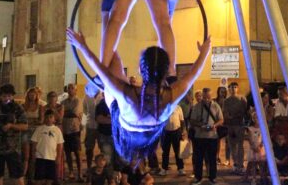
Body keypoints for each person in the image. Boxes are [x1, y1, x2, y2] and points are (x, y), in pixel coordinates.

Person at [67, 28, 211, 166]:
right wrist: (204, 53)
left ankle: (106, 17)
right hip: (147, 128)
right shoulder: (171, 94)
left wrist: (82, 46)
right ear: (166, 71)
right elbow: (193, 73)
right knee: (112, 63)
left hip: (127, 125)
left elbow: (100, 68)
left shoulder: (129, 95)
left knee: (111, 65)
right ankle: (106, 17)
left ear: (140, 70)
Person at [189, 87, 223, 185]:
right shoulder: (197, 106)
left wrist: (214, 125)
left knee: (212, 158)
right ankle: (198, 177)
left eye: (208, 96)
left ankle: (212, 177)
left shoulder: (216, 106)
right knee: (198, 158)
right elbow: (192, 120)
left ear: (211, 96)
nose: (206, 99)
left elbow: (221, 119)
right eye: (204, 97)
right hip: (199, 136)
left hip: (212, 136)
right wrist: (200, 125)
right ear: (202, 96)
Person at [31, 109, 65, 185]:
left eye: (51, 117)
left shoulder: (57, 130)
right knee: (39, 178)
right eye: (47, 117)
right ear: (44, 118)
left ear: (54, 119)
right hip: (40, 157)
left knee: (50, 179)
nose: (48, 119)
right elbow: (34, 142)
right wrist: (33, 155)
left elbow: (60, 145)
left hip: (52, 158)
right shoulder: (39, 129)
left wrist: (58, 157)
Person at [224, 82, 248, 174]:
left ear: (237, 88)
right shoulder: (226, 101)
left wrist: (235, 116)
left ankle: (241, 164)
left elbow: (244, 111)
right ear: (229, 89)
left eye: (235, 87)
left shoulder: (242, 98)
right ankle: (235, 163)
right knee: (232, 145)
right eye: (231, 87)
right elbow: (225, 112)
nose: (233, 89)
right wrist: (229, 117)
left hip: (239, 124)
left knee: (240, 145)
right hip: (230, 125)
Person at [61, 83, 83, 181]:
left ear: (75, 90)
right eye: (69, 88)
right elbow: (61, 114)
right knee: (68, 152)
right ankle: (70, 172)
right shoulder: (63, 102)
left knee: (77, 153)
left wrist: (65, 113)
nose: (70, 90)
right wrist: (67, 113)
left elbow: (75, 113)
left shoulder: (78, 101)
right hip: (65, 130)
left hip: (75, 129)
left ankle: (80, 174)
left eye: (72, 88)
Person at [22, 87, 43, 181]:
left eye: (34, 94)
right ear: (27, 95)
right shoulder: (23, 106)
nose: (32, 96)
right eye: (30, 94)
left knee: (34, 156)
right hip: (25, 132)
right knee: (26, 156)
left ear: (36, 95)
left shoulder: (40, 106)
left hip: (36, 132)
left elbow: (41, 120)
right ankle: (23, 176)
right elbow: (21, 120)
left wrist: (29, 121)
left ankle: (32, 177)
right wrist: (33, 121)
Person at [160, 105, 185, 176]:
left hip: (176, 131)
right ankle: (164, 169)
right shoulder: (162, 107)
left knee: (178, 151)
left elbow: (182, 120)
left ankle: (180, 168)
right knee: (165, 151)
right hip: (165, 132)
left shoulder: (178, 107)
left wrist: (182, 132)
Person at [83, 84, 102, 172]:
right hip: (90, 126)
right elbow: (85, 112)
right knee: (89, 148)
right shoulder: (86, 97)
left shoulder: (103, 95)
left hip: (101, 126)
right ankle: (89, 167)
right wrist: (83, 125)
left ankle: (102, 168)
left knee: (103, 148)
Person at [244, 109, 267, 185]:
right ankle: (253, 179)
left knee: (261, 164)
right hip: (253, 148)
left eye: (258, 117)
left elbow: (264, 138)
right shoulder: (250, 128)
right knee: (253, 164)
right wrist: (254, 147)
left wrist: (260, 146)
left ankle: (262, 178)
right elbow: (249, 139)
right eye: (255, 117)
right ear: (253, 119)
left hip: (260, 148)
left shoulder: (263, 128)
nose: (257, 119)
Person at [214, 86, 229, 166]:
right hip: (217, 123)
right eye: (221, 91)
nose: (222, 93)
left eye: (224, 91)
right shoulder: (214, 101)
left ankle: (228, 158)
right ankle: (217, 156)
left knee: (228, 142)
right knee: (217, 141)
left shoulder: (227, 101)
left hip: (226, 123)